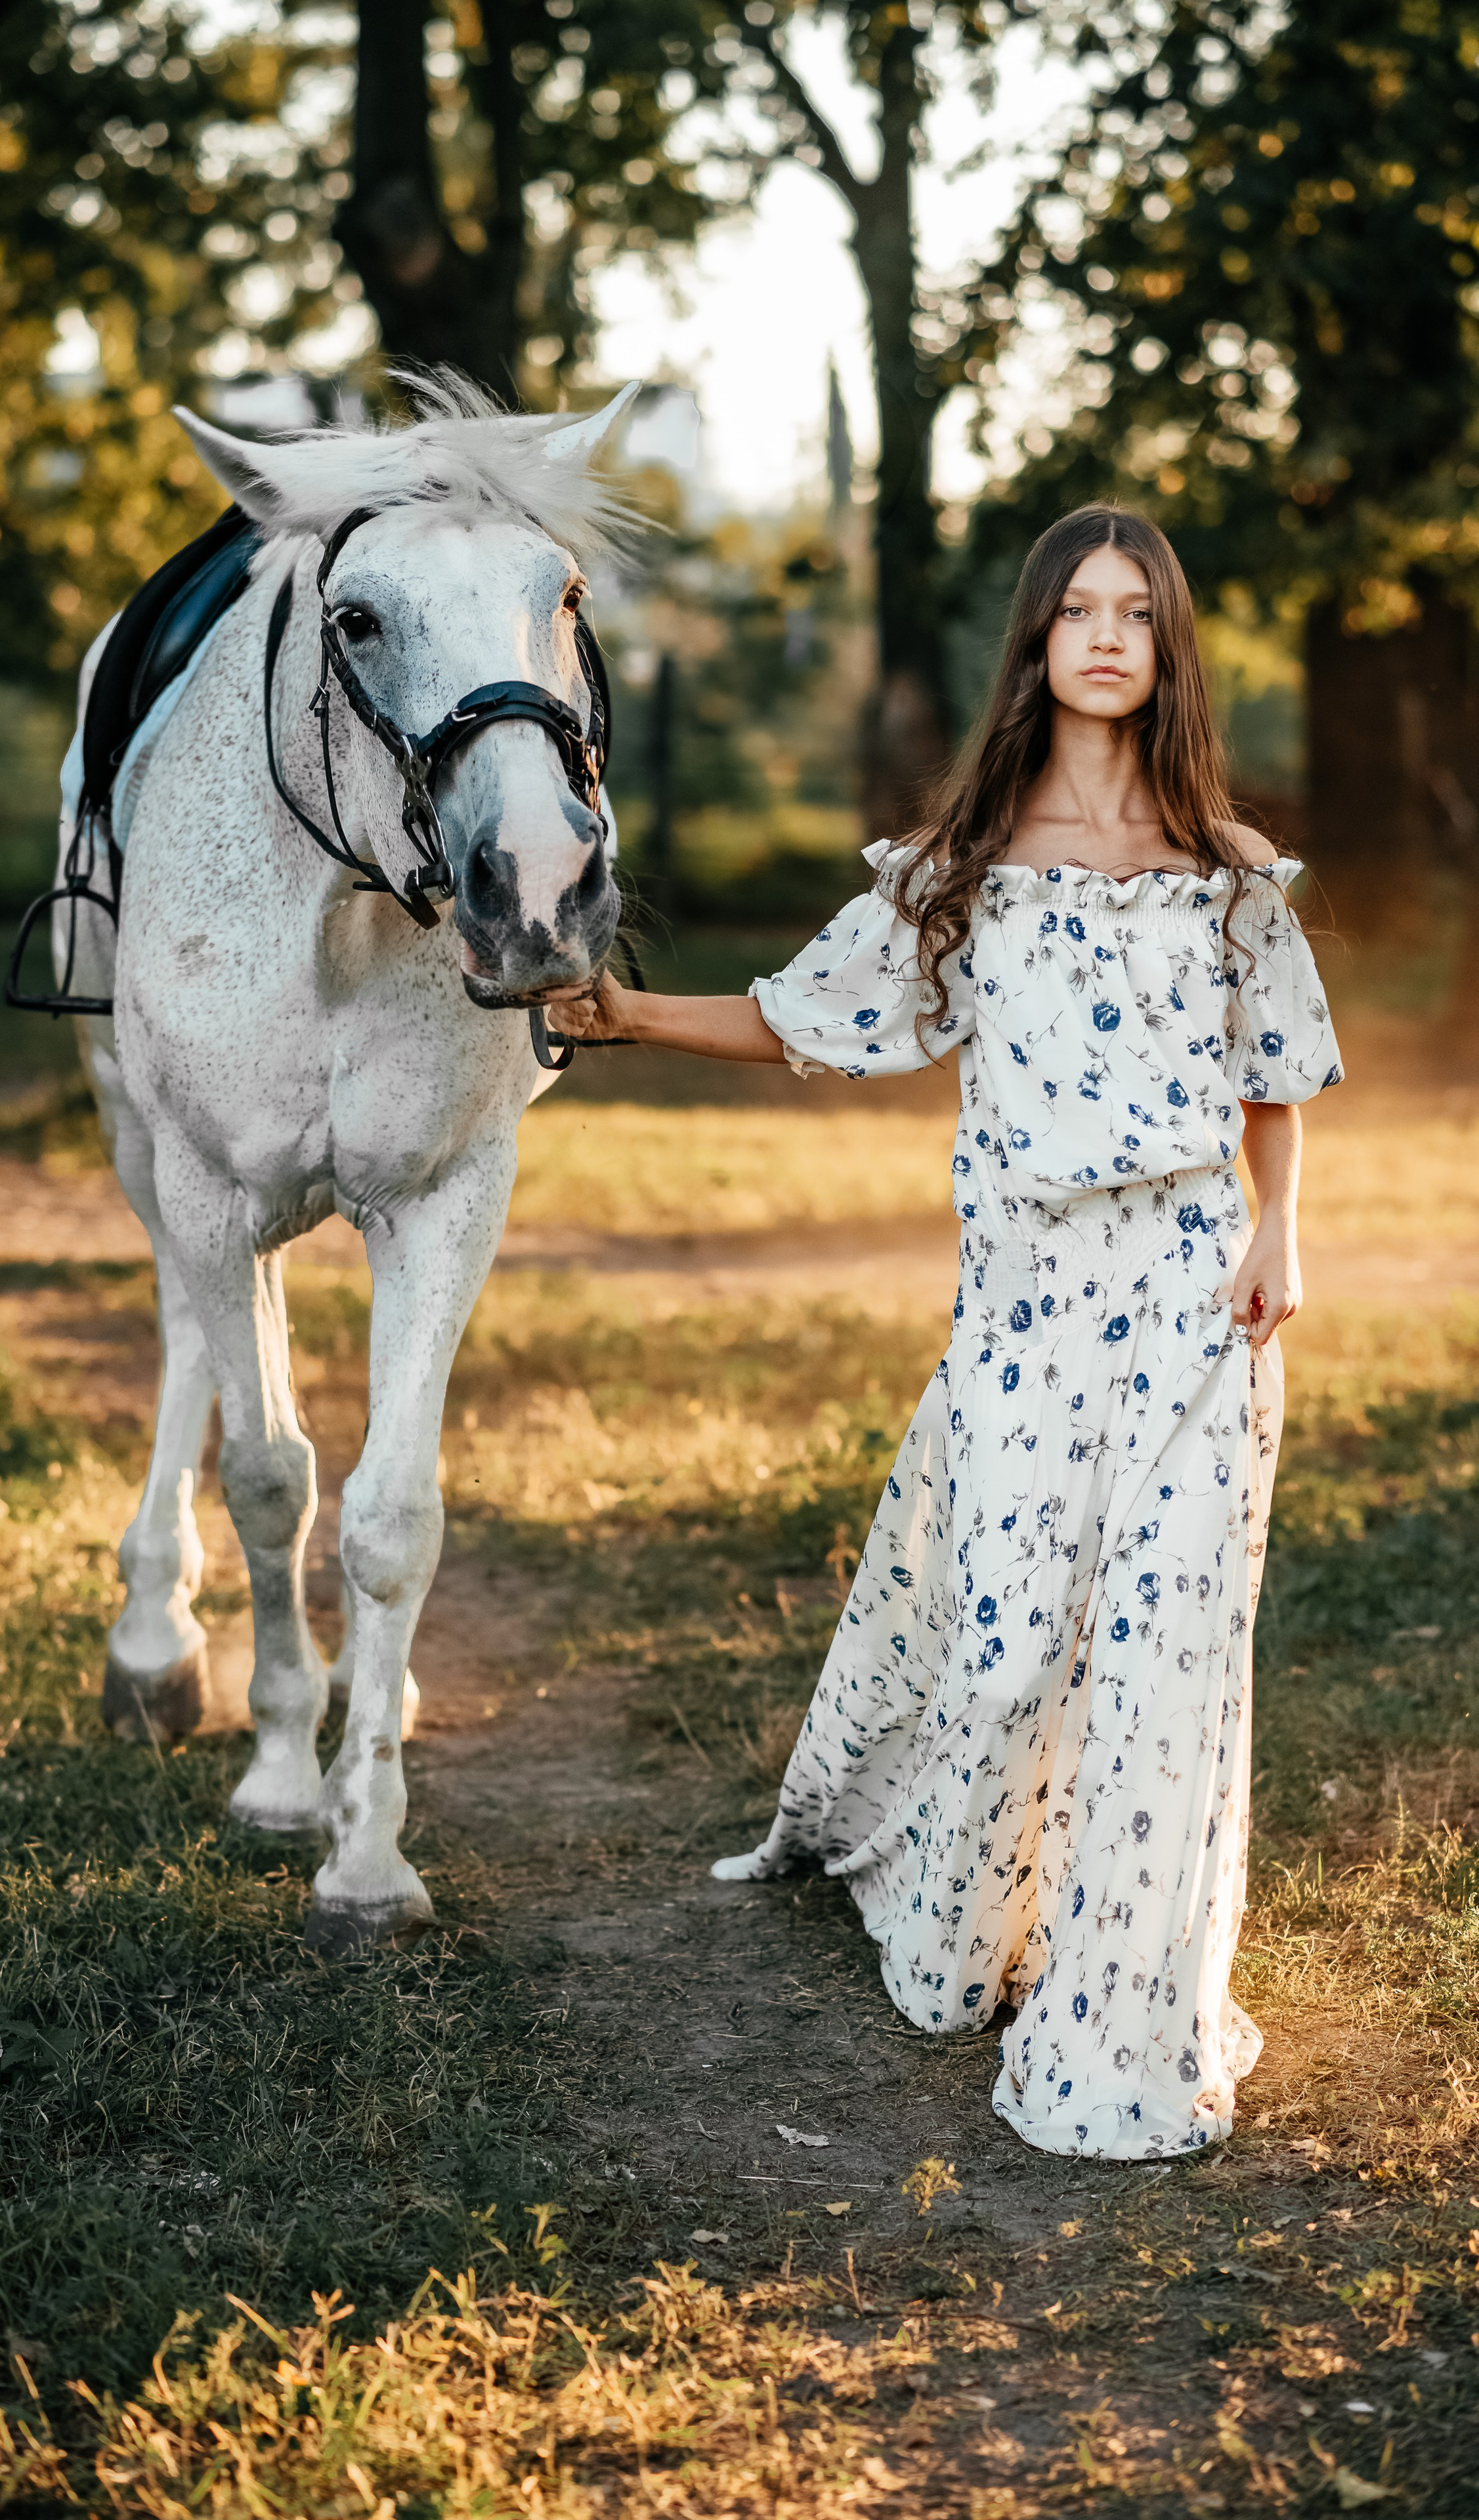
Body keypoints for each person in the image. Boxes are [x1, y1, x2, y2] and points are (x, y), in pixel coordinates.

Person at [547, 505, 1342, 2160]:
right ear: (1037, 642)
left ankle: (1123, 2016)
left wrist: (1276, 1228)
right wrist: (624, 1016)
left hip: (1194, 1294)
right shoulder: (960, 871)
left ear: (1167, 647)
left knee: (1165, 1660)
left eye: (1135, 612)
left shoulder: (1228, 871)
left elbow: (1273, 1072)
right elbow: (803, 1019)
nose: (1106, 636)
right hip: (1027, 1310)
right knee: (1009, 1654)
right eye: (1077, 610)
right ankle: (964, 1921)